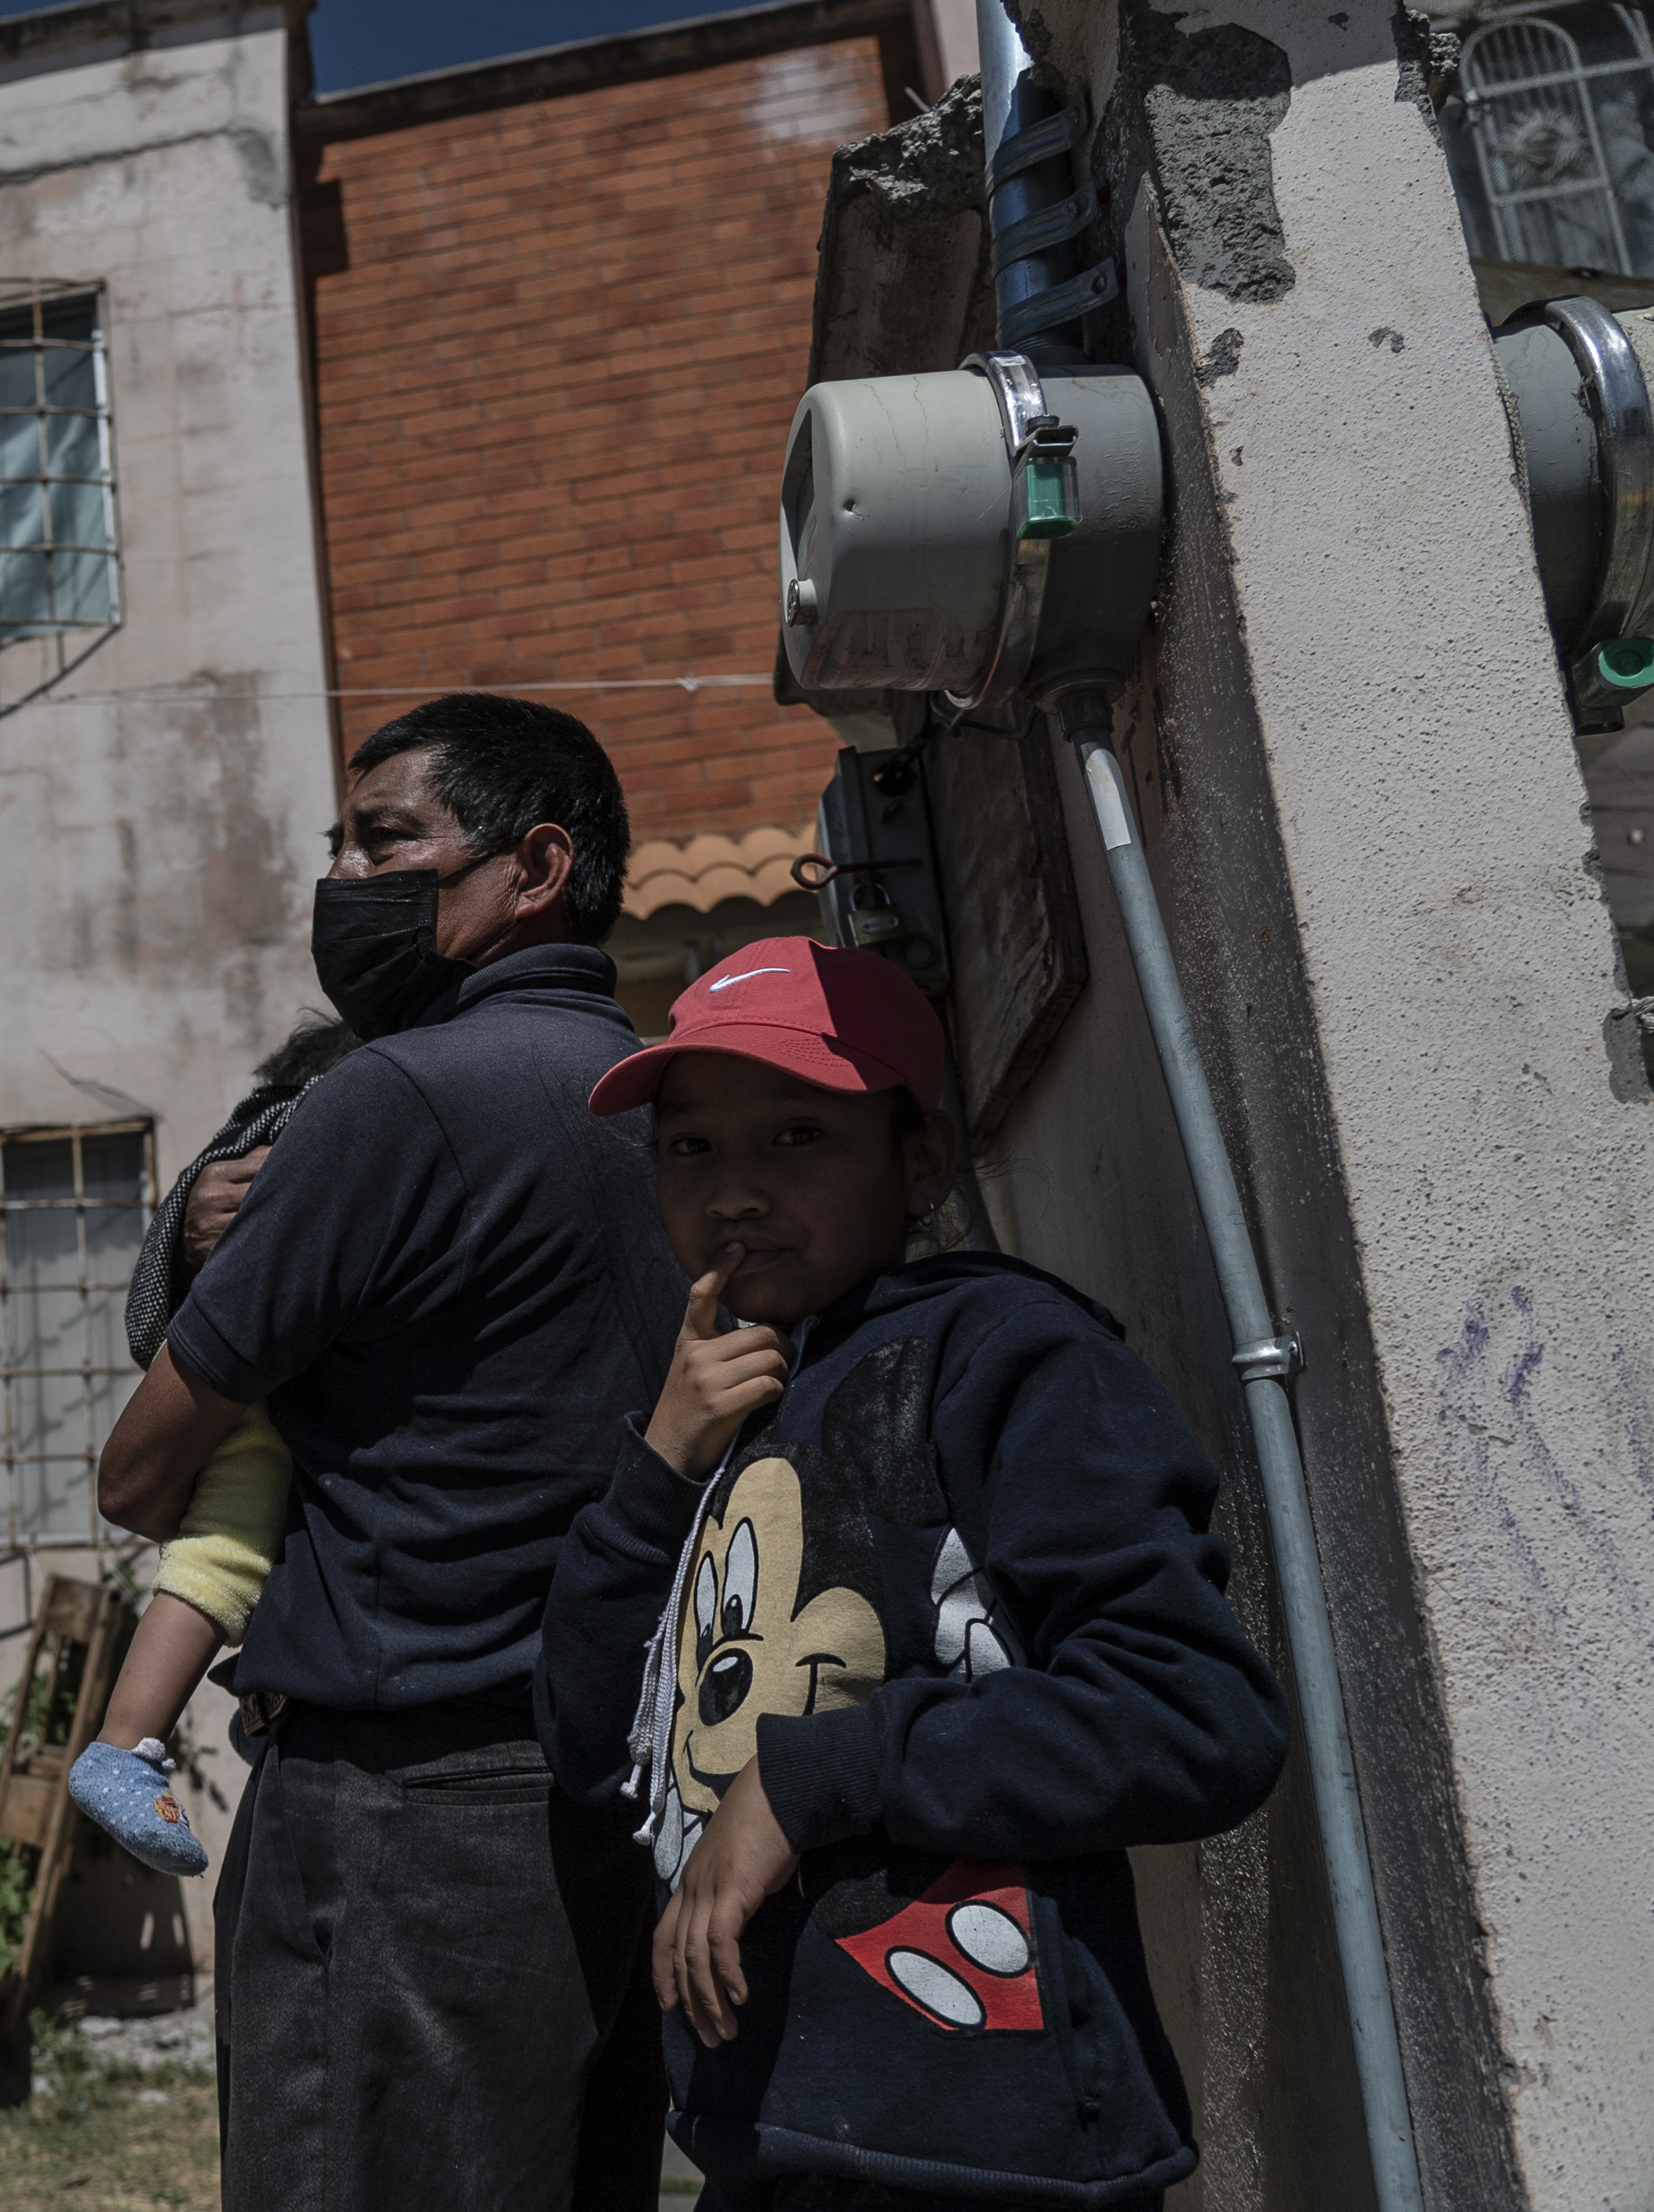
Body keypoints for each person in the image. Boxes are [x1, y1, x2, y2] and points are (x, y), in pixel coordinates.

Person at [537, 936, 1291, 2210]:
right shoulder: (727, 1401)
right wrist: (659, 1466)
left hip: (986, 2145)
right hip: (764, 2125)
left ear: (924, 1159)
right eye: (692, 1147)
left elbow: (1192, 1713)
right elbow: (583, 1735)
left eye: (797, 1138)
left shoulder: (1009, 1358)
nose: (733, 1193)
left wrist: (809, 1771)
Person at [97, 692, 685, 2208]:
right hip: (604, 1799)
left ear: (535, 864)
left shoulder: (393, 1102)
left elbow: (140, 1475)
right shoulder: (664, 1112)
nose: (345, 880)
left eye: (387, 839)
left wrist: (213, 1248)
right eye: (341, 845)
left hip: (397, 1817)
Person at [68, 1015, 352, 1875]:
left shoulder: (249, 1138)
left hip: (248, 1381)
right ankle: (123, 1742)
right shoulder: (324, 1129)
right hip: (260, 1392)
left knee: (218, 1555)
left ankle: (129, 1740)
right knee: (219, 1556)